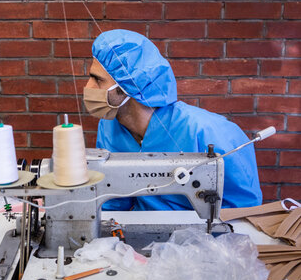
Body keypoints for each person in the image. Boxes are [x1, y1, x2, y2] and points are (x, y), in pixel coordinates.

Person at [83, 29, 262, 210]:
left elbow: (243, 211)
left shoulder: (210, 132)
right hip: (140, 234)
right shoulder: (109, 127)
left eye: (97, 79)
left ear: (126, 86)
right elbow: (112, 202)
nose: (88, 87)